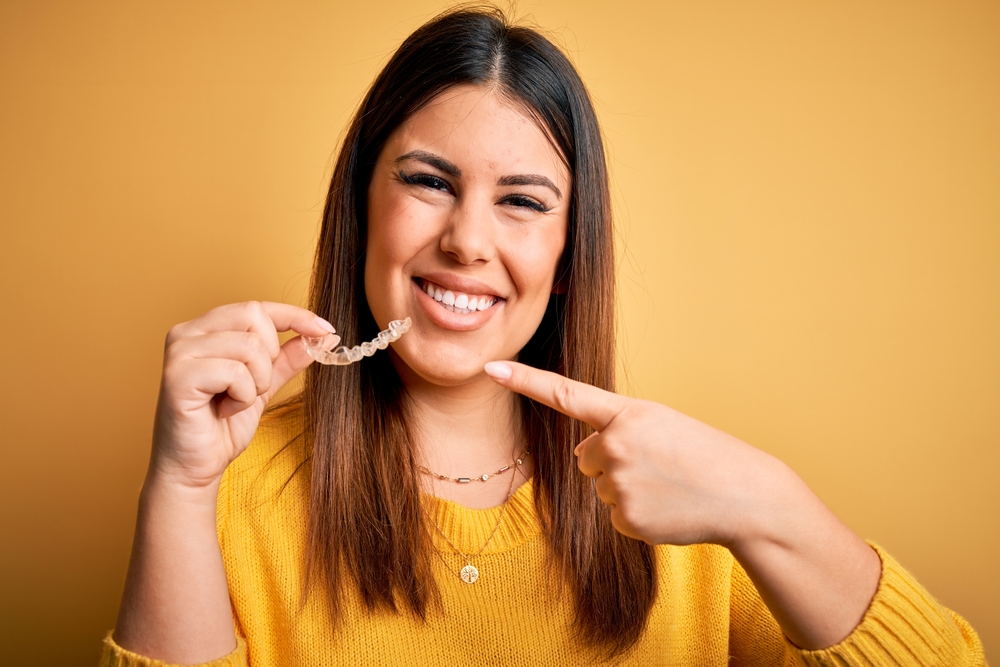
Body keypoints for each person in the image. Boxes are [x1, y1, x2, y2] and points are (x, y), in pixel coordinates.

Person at [100, 7, 985, 666]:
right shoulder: (235, 495)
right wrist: (179, 485)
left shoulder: (684, 498)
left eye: (522, 201)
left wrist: (768, 502)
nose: (468, 241)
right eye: (427, 182)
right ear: (360, 209)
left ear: (568, 255)